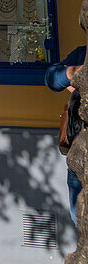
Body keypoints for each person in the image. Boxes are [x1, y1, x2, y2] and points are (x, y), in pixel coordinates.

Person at [45, 44, 86, 229]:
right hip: (78, 157)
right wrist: (73, 74)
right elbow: (51, 78)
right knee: (79, 219)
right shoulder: (82, 53)